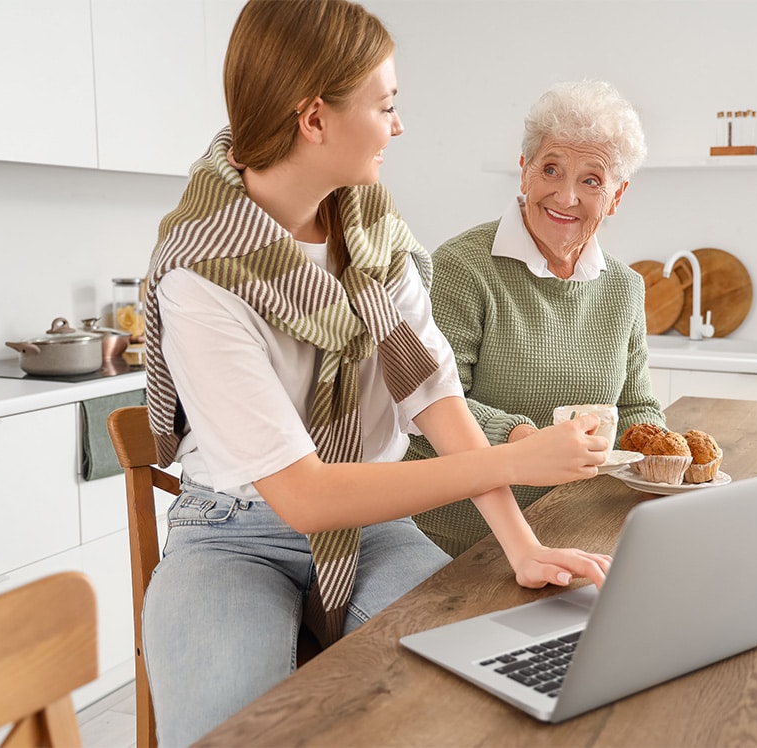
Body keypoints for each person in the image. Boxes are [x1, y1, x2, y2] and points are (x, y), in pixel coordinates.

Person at [140, 3, 611, 745]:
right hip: (232, 534)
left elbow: (432, 391)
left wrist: (521, 545)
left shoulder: (372, 230)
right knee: (228, 733)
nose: (399, 126)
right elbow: (304, 496)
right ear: (313, 119)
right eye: (386, 105)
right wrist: (516, 461)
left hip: (376, 529)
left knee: (480, 698)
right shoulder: (201, 275)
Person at [407, 80, 667, 557]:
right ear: (524, 172)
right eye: (551, 169)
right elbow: (428, 408)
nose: (566, 197)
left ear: (617, 195)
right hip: (454, 542)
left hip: (575, 528)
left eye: (592, 180)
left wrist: (667, 455)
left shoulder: (625, 287)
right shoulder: (462, 268)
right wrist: (525, 442)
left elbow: (636, 407)